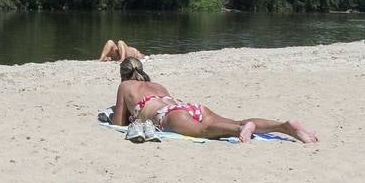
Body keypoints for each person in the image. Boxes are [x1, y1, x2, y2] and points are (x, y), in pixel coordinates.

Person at [110, 56, 318, 144]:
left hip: (168, 116)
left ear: (123, 74)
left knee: (204, 132)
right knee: (234, 121)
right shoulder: (157, 85)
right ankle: (284, 126)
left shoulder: (125, 86)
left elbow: (118, 122)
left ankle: (239, 131)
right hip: (191, 107)